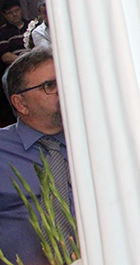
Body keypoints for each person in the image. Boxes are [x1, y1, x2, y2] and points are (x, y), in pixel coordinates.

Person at [0, 49, 72, 265]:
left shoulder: (93, 142)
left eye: (64, 82)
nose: (62, 91)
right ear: (21, 104)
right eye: (49, 85)